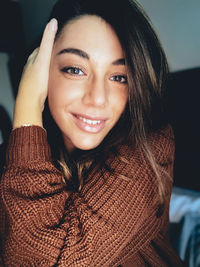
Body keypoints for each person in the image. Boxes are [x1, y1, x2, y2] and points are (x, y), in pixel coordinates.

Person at [0, 0, 183, 266]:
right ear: (40, 72)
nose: (98, 98)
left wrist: (27, 109)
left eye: (120, 77)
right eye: (75, 70)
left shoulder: (151, 146)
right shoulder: (11, 162)